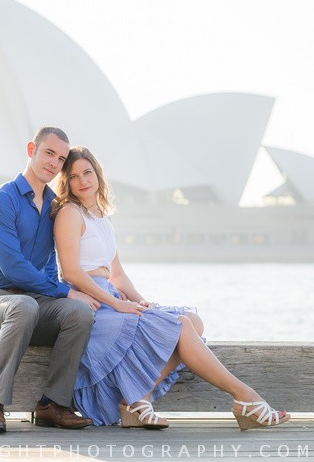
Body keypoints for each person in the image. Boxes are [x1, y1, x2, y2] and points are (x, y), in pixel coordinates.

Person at [52, 146, 290, 431]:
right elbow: (71, 272)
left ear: (98, 175)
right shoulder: (70, 213)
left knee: (193, 321)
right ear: (66, 182)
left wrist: (142, 302)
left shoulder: (102, 217)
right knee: (180, 327)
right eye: (74, 176)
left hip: (111, 298)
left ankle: (138, 400)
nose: (82, 181)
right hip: (92, 304)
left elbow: (118, 275)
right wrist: (117, 304)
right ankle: (246, 397)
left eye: (87, 172)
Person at [0, 127, 98, 434]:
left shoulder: (54, 207)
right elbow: (13, 267)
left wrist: (70, 295)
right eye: (49, 153)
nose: (54, 163)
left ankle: (53, 404)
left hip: (32, 304)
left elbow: (49, 265)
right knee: (24, 305)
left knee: (79, 313)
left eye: (61, 159)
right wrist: (65, 291)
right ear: (31, 150)